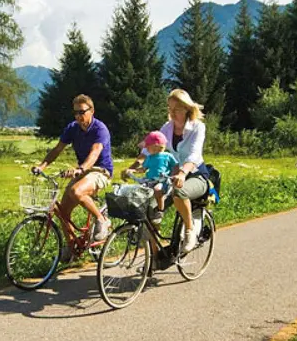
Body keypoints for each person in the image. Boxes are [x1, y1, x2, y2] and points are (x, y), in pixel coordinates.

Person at [122, 89, 209, 253]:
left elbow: (194, 154)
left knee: (179, 192)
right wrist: (132, 167)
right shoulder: (167, 128)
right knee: (150, 208)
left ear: (187, 109)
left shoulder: (198, 127)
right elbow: (150, 149)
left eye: (176, 109)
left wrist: (183, 173)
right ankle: (155, 257)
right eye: (170, 109)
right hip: (170, 176)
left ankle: (190, 231)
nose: (172, 113)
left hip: (196, 175)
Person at [33, 94, 114, 261]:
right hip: (82, 171)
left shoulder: (100, 129)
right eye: (75, 113)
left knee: (76, 191)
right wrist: (42, 166)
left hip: (101, 171)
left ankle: (101, 220)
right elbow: (57, 149)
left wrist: (81, 168)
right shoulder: (72, 128)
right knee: (62, 212)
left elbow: (95, 152)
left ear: (92, 111)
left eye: (82, 112)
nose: (78, 116)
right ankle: (71, 249)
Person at [132, 130, 178, 223]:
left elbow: (176, 165)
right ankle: (139, 210)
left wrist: (173, 175)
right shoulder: (149, 158)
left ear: (155, 146)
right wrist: (133, 170)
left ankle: (160, 210)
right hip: (149, 180)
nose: (146, 149)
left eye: (147, 147)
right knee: (138, 191)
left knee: (157, 189)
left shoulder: (167, 156)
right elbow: (143, 169)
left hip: (162, 180)